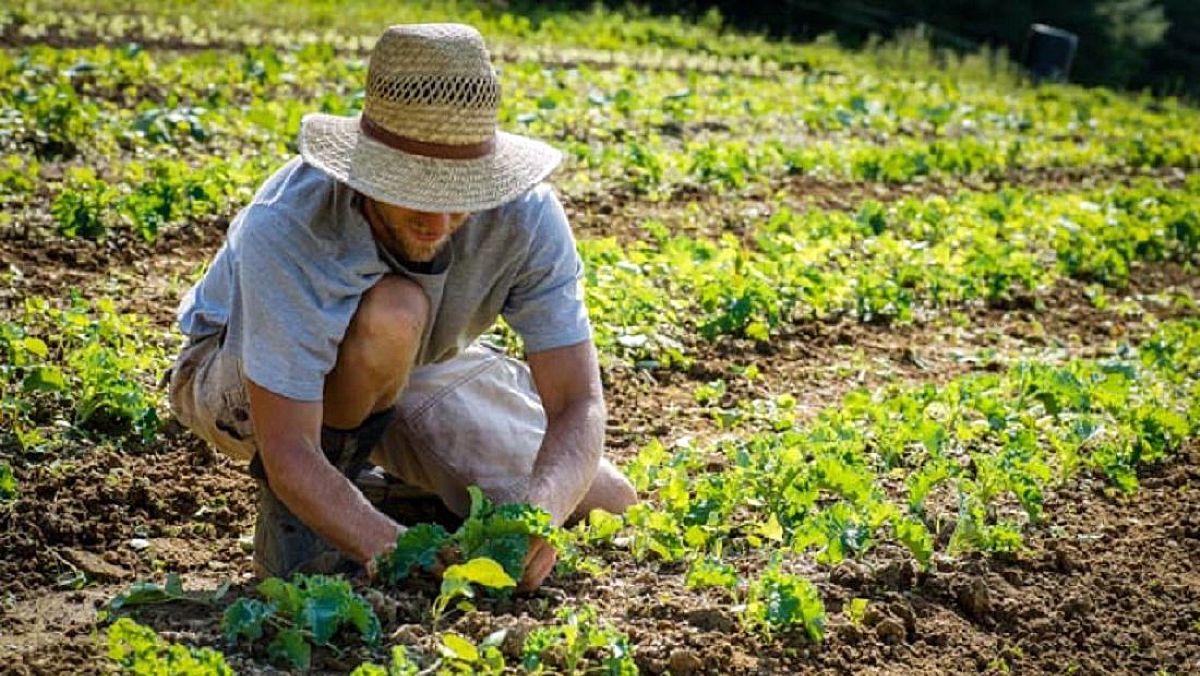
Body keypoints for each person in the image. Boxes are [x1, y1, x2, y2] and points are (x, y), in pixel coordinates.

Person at [167, 23, 637, 592]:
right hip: (245, 380)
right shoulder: (291, 223)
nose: (438, 222)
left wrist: (539, 517)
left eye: (461, 194)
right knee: (395, 309)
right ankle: (307, 521)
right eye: (415, 192)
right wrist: (397, 551)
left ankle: (384, 495)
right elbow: (288, 447)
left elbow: (578, 402)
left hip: (410, 365)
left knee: (605, 497)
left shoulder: (526, 215)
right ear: (367, 169)